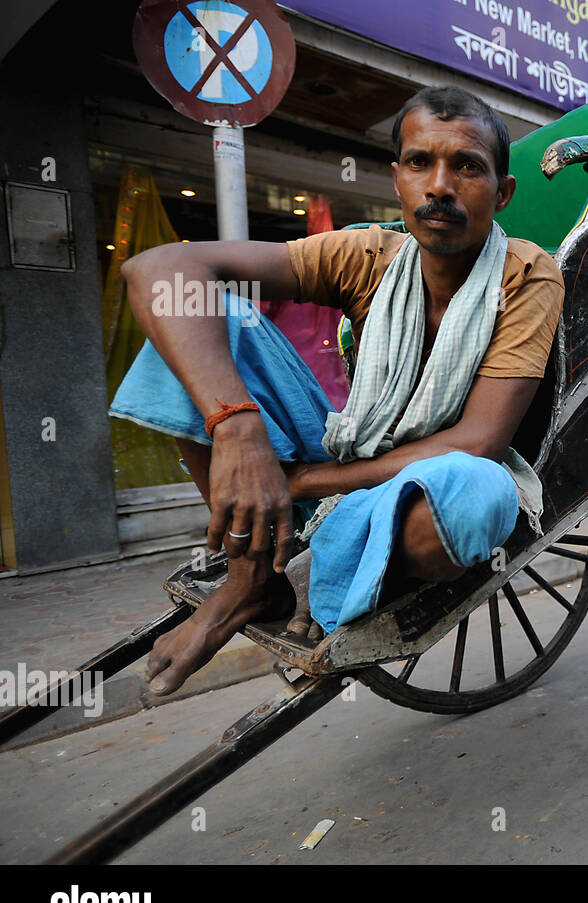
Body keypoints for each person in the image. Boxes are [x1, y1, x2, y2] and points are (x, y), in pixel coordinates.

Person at [111, 86, 564, 695]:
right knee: (200, 322)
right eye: (418, 163)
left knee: (476, 492)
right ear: (397, 179)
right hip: (349, 450)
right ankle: (249, 583)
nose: (440, 186)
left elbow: (479, 441)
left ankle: (333, 562)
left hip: (421, 484)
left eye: (467, 166)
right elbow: (157, 271)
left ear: (501, 192)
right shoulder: (370, 253)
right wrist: (239, 432)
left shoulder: (527, 273)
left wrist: (296, 483)